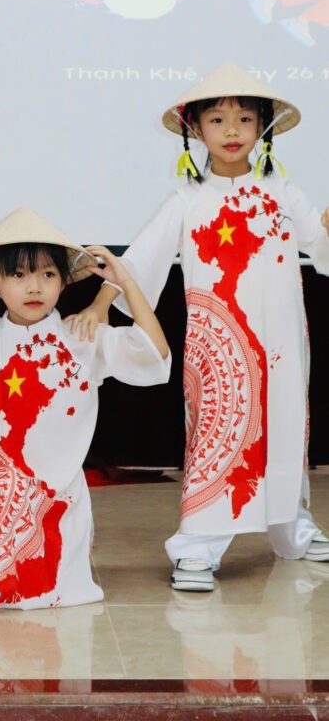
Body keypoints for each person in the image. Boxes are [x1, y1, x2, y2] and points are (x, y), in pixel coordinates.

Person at [66, 62, 329, 592]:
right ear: (195, 129)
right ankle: (197, 545)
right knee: (217, 434)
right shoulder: (187, 200)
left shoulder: (284, 193)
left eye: (245, 119)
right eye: (217, 119)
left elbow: (320, 246)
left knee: (283, 431)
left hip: (281, 343)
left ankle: (292, 527)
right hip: (218, 344)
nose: (232, 131)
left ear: (263, 128)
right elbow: (140, 262)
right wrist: (99, 304)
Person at [0, 206, 170, 614]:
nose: (34, 287)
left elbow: (155, 355)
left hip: (60, 493)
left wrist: (123, 282)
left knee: (46, 581)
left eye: (48, 274)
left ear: (63, 281)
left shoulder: (80, 338)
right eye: (18, 275)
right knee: (2, 499)